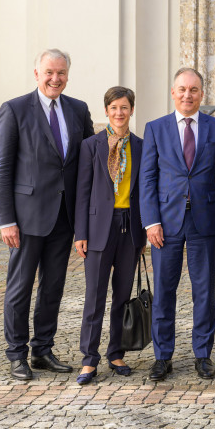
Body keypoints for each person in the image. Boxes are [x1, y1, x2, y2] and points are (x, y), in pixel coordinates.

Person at [0, 49, 95, 381]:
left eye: (61, 73)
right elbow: (1, 167)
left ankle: (43, 350)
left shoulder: (78, 110)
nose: (55, 79)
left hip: (64, 217)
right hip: (26, 218)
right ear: (36, 73)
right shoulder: (15, 109)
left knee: (53, 287)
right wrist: (5, 219)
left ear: (68, 75)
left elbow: (90, 160)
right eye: (49, 72)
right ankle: (17, 353)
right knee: (20, 287)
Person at [140, 67, 215, 381]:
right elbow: (148, 179)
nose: (187, 95)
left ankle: (202, 355)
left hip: (204, 223)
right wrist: (150, 221)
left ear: (201, 94)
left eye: (193, 90)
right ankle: (162, 357)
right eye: (181, 89)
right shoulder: (156, 128)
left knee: (204, 291)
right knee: (165, 292)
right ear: (173, 92)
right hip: (165, 224)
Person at [72, 86, 146, 384]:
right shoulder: (91, 146)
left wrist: (142, 234)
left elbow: (145, 190)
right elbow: (82, 191)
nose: (119, 112)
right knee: (95, 296)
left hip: (130, 228)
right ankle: (89, 358)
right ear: (106, 111)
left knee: (122, 296)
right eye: (114, 107)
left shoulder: (141, 146)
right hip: (98, 227)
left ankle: (116, 352)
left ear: (131, 110)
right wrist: (81, 232)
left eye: (124, 107)